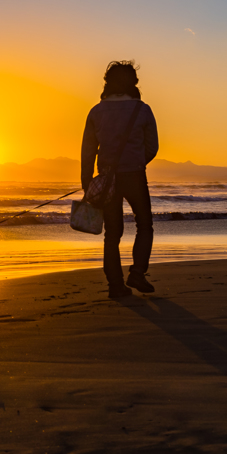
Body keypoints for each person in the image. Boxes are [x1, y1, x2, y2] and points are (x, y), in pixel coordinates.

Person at [81, 61, 159, 297]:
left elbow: (87, 152)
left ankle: (115, 285)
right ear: (133, 83)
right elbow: (152, 147)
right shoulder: (142, 109)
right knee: (144, 224)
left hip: (107, 178)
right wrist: (135, 162)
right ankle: (137, 273)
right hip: (135, 174)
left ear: (107, 82)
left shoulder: (96, 111)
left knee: (112, 233)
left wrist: (88, 184)